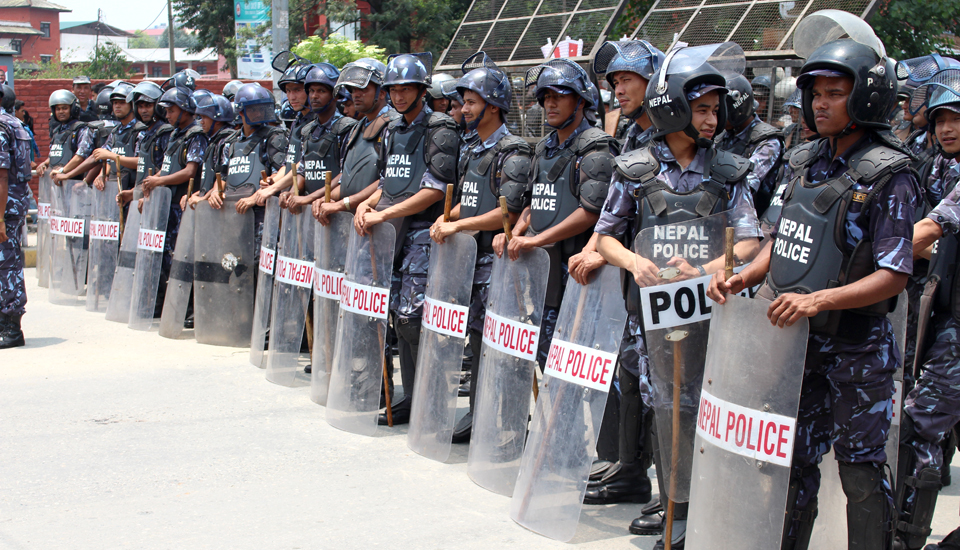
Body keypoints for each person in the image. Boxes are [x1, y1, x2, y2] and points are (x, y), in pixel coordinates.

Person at [707, 32, 916, 550]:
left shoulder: (890, 174)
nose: (820, 104)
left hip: (856, 350)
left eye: (835, 93)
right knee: (790, 463)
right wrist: (742, 275)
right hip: (797, 344)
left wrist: (819, 300)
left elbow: (894, 273)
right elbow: (780, 239)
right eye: (816, 93)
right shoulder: (803, 161)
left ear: (866, 97)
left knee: (860, 472)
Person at [595, 43, 761, 549]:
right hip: (653, 319)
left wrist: (705, 271)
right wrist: (634, 262)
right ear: (675, 108)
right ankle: (675, 508)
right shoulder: (634, 169)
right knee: (665, 408)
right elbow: (605, 237)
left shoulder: (729, 170)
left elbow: (750, 241)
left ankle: (709, 512)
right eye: (702, 108)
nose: (712, 119)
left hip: (714, 315)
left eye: (715, 109)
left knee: (707, 409)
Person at [427, 51, 532, 443]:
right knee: (476, 339)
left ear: (493, 106)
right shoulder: (472, 147)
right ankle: (478, 413)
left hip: (497, 262)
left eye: (471, 102)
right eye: (463, 102)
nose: (464, 109)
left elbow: (507, 211)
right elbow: (470, 201)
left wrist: (457, 225)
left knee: (500, 344)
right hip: (469, 260)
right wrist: (447, 218)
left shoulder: (514, 151)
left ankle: (509, 423)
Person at [578, 38, 665, 510]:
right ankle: (629, 468)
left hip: (665, 277)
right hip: (631, 273)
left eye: (628, 80)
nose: (619, 91)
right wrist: (595, 248)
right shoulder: (633, 135)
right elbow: (615, 207)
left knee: (664, 386)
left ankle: (669, 492)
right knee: (629, 372)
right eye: (614, 82)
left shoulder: (673, 139)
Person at [353, 53, 460, 426]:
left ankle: (430, 400)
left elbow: (435, 190)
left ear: (421, 90)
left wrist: (382, 214)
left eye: (406, 89)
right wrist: (366, 204)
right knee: (398, 320)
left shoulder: (440, 128)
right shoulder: (392, 129)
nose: (398, 96)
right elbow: (387, 181)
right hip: (392, 235)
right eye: (393, 90)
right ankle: (411, 398)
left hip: (423, 235)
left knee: (415, 321)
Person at [503, 57, 618, 384]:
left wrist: (536, 239)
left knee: (576, 361)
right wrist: (518, 230)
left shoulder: (596, 147)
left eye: (559, 96)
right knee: (545, 352)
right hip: (543, 269)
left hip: (577, 270)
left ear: (580, 101)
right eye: (545, 97)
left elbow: (592, 211)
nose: (550, 104)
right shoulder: (544, 147)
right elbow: (534, 200)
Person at [897, 68, 960, 550]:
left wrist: (875, 253)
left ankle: (905, 535)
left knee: (920, 424)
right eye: (940, 119)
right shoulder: (932, 165)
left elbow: (929, 228)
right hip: (938, 312)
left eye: (957, 118)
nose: (947, 128)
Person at [313, 58, 393, 225]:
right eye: (353, 89)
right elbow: (347, 178)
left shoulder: (394, 126)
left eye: (363, 89)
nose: (356, 94)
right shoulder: (357, 128)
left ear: (382, 92)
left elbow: (388, 180)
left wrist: (343, 203)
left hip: (378, 220)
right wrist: (327, 198)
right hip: (352, 222)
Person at [286, 63, 356, 210]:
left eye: (321, 91)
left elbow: (346, 174)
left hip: (333, 209)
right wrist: (292, 194)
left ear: (335, 95)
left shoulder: (347, 128)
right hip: (309, 212)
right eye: (311, 91)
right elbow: (303, 170)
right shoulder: (308, 130)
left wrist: (311, 198)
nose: (314, 96)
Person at [719, 74, 784, 217]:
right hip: (719, 215)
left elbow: (746, 184)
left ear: (736, 110)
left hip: (751, 218)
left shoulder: (767, 141)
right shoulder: (722, 136)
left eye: (720, 111)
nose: (716, 118)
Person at [0, 84, 33, 348]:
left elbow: (1, 175)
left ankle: (10, 328)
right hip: (14, 203)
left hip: (4, 206)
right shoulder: (15, 123)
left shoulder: (1, 126)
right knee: (9, 263)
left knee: (6, 266)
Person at [185, 91, 236, 208]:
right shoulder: (214, 141)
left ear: (217, 119)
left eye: (205, 117)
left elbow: (224, 177)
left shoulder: (226, 141)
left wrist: (202, 199)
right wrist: (194, 195)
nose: (201, 122)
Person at [36, 90, 94, 180]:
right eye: (58, 109)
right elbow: (57, 154)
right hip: (56, 182)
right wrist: (45, 163)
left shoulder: (81, 130)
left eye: (64, 108)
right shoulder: (57, 131)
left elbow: (80, 156)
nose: (61, 112)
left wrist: (63, 171)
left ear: (73, 109)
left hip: (75, 181)